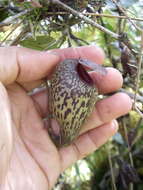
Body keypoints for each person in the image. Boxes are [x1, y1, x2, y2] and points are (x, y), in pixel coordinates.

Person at [0, 45, 132, 189]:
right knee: (68, 130)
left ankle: (65, 135)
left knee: (69, 131)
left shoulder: (73, 75)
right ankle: (65, 135)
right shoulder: (67, 68)